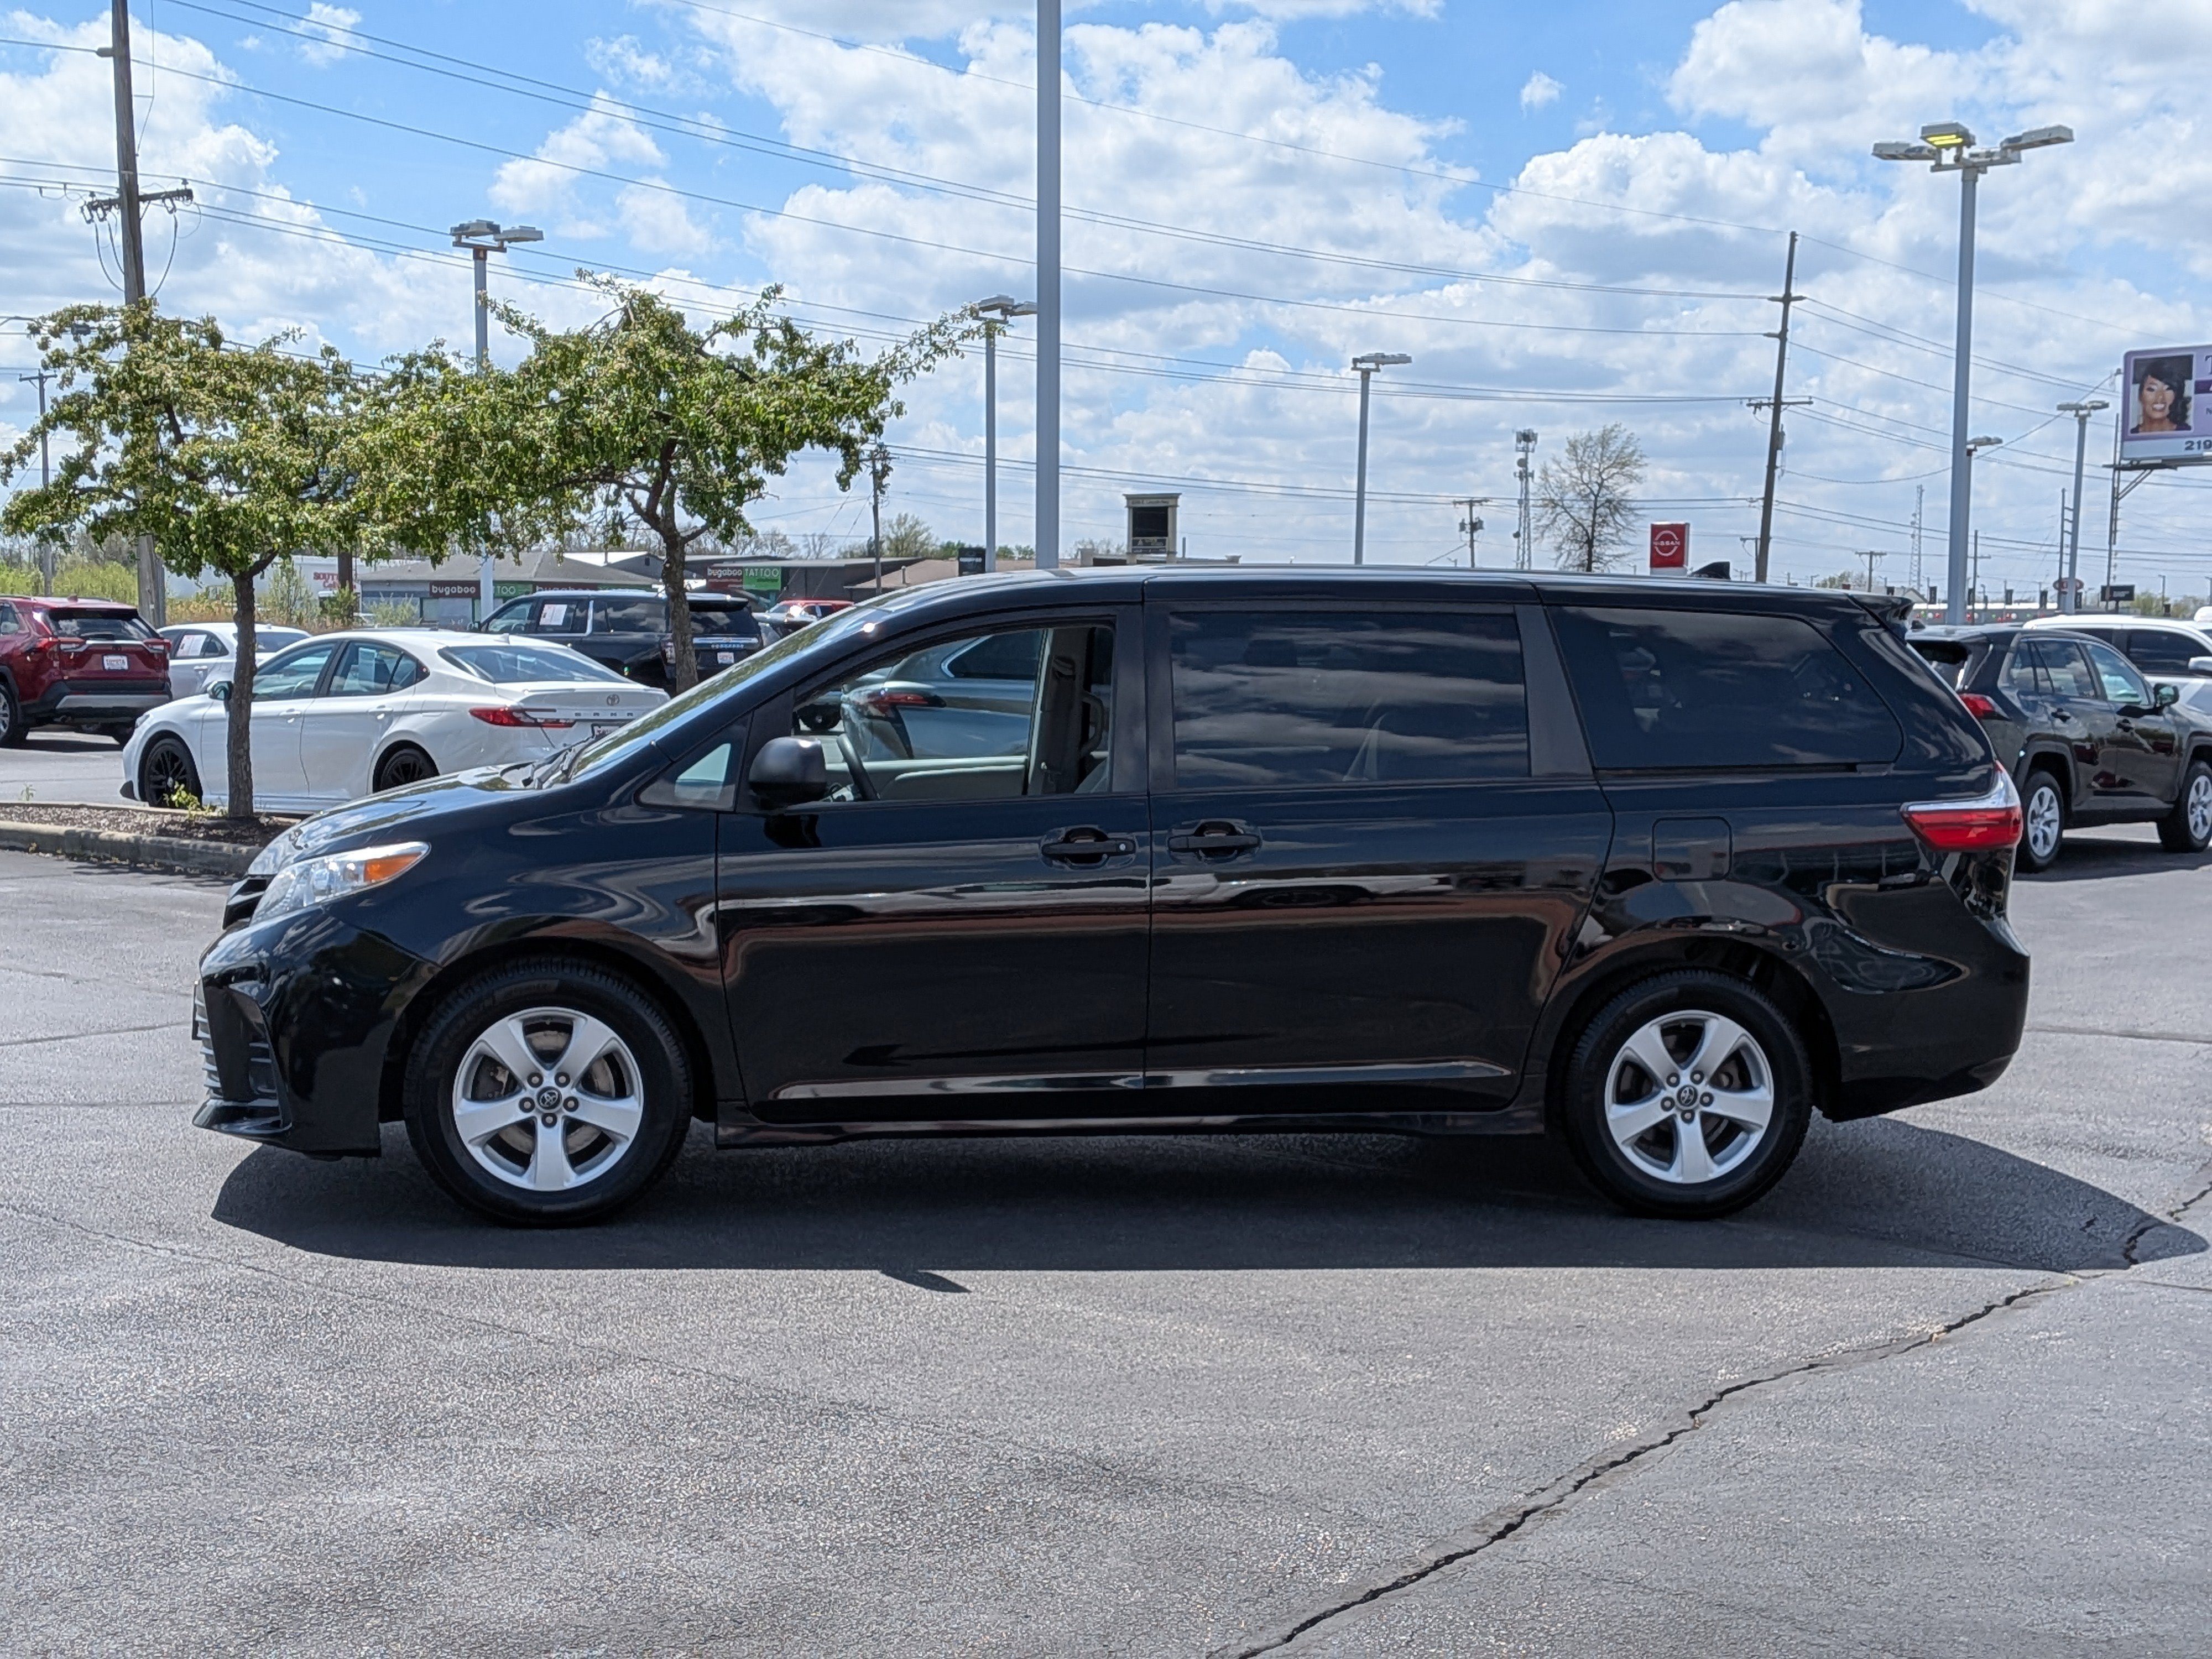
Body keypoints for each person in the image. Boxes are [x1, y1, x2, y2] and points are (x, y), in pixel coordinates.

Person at [2131, 355, 2193, 434]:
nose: (2160, 397)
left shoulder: (2188, 433)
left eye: (2168, 389)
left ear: (2176, 395)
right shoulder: (2131, 436)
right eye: (2152, 389)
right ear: (2141, 396)